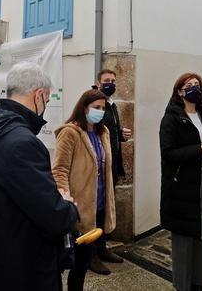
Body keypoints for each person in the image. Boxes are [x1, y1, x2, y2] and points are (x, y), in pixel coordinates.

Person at [0, 62, 79, 291]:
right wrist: (67, 204)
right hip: (22, 269)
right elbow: (54, 217)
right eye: (46, 100)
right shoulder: (23, 143)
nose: (45, 105)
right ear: (39, 95)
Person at [159, 72, 202, 291]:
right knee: (183, 242)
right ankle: (182, 286)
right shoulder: (171, 118)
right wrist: (199, 149)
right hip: (181, 186)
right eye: (189, 85)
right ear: (180, 91)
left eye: (198, 85)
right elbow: (168, 153)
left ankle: (197, 283)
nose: (195, 88)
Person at [52, 89, 117, 291]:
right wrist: (66, 199)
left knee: (84, 261)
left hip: (98, 205)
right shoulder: (70, 132)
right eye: (96, 108)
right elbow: (59, 169)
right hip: (77, 208)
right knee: (72, 262)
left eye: (103, 108)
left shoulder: (102, 132)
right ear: (84, 107)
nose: (100, 112)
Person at [90, 69, 130, 274]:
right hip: (97, 168)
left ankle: (102, 247)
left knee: (105, 210)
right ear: (98, 83)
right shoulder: (95, 106)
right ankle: (92, 256)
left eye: (113, 81)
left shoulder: (112, 106)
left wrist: (120, 134)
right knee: (95, 211)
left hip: (111, 166)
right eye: (106, 81)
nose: (110, 84)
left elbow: (108, 133)